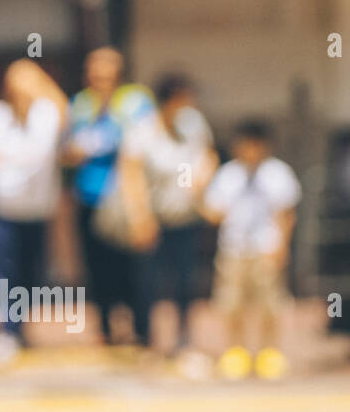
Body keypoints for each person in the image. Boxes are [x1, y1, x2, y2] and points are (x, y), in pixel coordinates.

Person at [0, 60, 67, 361]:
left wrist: (40, 79)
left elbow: (67, 112)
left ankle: (20, 328)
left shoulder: (45, 116)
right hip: (3, 209)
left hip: (37, 211)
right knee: (4, 272)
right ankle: (7, 331)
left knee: (30, 274)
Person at [64, 47, 158, 346]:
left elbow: (147, 144)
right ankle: (104, 328)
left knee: (134, 269)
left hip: (127, 201)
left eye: (106, 75)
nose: (100, 81)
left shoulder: (136, 102)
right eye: (94, 75)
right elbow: (66, 150)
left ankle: (141, 331)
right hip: (91, 198)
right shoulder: (80, 105)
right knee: (97, 267)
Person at [201, 120, 301, 380]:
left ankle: (269, 353)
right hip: (234, 249)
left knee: (270, 304)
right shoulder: (228, 174)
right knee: (231, 303)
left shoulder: (278, 173)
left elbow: (287, 213)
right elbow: (215, 214)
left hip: (265, 246)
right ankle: (236, 352)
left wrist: (282, 246)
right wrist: (198, 189)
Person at [125, 74, 218, 353]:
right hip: (155, 217)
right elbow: (132, 174)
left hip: (185, 216)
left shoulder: (193, 124)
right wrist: (140, 217)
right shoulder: (142, 131)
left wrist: (203, 178)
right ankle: (147, 338)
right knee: (148, 283)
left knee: (185, 281)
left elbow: (208, 155)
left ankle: (184, 337)